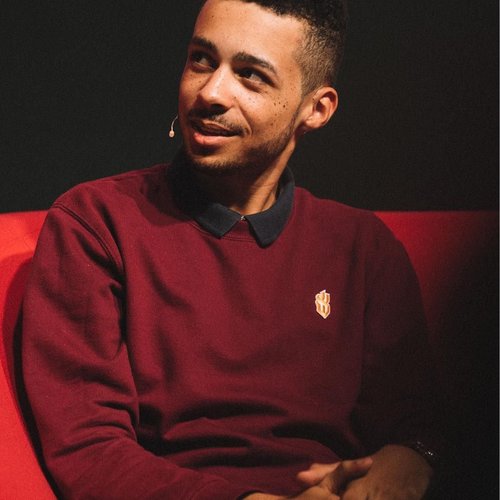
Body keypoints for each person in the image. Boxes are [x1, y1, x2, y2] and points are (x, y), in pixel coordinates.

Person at [22, 1, 442, 498]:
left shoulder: (363, 249)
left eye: (250, 75)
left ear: (316, 109)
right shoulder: (96, 223)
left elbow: (419, 426)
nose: (210, 92)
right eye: (201, 60)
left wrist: (410, 461)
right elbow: (88, 451)